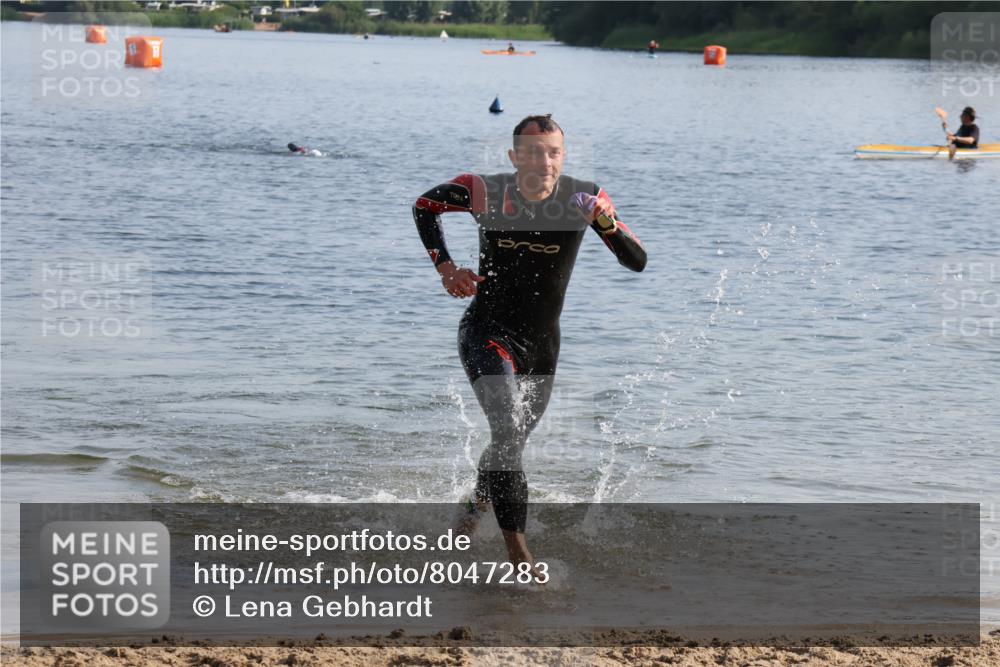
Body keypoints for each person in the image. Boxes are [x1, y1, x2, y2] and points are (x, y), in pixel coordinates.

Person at [411, 115, 646, 575]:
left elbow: (636, 261)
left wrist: (607, 224)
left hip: (541, 345)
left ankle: (470, 513)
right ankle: (520, 556)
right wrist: (446, 267)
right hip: (487, 333)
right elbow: (424, 205)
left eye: (554, 151)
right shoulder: (483, 191)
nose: (545, 161)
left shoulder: (584, 198)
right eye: (534, 152)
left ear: (564, 154)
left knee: (509, 441)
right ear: (514, 157)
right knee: (507, 431)